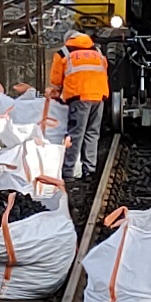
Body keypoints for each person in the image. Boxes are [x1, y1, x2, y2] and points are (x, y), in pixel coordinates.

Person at [47, 22, 111, 185]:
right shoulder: (97, 51)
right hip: (99, 96)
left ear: (68, 40)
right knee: (92, 133)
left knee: (75, 134)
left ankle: (68, 172)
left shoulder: (64, 52)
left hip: (79, 97)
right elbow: (104, 70)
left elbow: (56, 80)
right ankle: (89, 169)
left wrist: (57, 93)